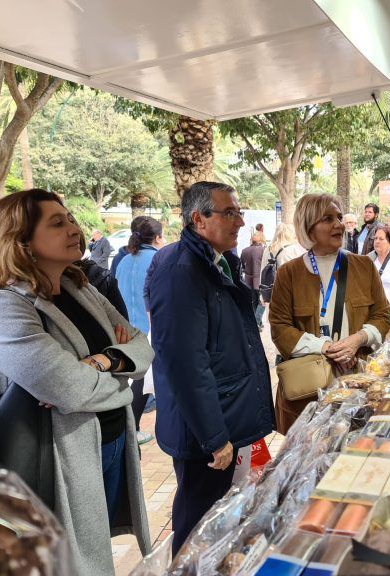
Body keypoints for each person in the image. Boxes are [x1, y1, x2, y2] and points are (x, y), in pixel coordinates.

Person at [0, 189, 153, 576]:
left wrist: (102, 359)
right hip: (55, 458)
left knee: (93, 546)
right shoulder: (4, 308)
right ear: (19, 241)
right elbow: (69, 388)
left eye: (70, 218)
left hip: (107, 442)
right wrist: (118, 378)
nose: (73, 228)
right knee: (70, 562)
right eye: (57, 223)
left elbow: (143, 348)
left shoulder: (79, 287)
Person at [146, 181, 275, 556]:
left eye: (239, 212)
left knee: (221, 516)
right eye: (229, 212)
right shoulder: (180, 270)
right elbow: (184, 364)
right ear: (198, 219)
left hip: (226, 410)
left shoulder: (220, 260)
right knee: (198, 519)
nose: (239, 220)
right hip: (205, 427)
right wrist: (214, 436)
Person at [269, 194, 390, 433]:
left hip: (358, 385)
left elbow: (382, 317)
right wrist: (325, 347)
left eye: (338, 217)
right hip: (309, 393)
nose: (339, 224)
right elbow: (280, 329)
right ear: (308, 227)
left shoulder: (364, 267)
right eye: (327, 219)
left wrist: (358, 339)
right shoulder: (288, 274)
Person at [115, 216, 165, 445]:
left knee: (133, 381)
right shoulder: (158, 259)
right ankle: (132, 430)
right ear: (157, 237)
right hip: (150, 330)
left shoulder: (124, 261)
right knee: (144, 382)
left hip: (125, 330)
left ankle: (130, 428)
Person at [259, 223, 306, 289]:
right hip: (288, 292)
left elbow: (262, 270)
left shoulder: (267, 250)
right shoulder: (294, 249)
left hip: (269, 292)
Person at [240, 230, 267, 329]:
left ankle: (257, 322)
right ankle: (256, 321)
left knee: (254, 301)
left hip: (248, 280)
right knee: (262, 301)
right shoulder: (264, 250)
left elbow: (242, 265)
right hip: (260, 281)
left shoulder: (244, 250)